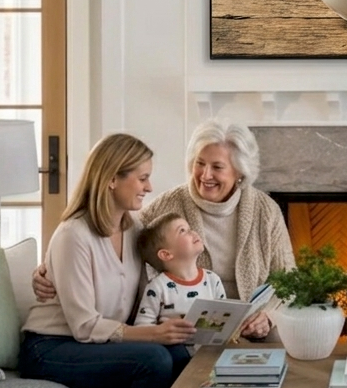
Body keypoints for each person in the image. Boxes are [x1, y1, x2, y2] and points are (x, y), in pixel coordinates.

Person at [34, 120, 295, 339]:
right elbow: (103, 239)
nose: (205, 175)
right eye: (199, 163)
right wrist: (45, 271)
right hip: (186, 328)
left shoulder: (265, 211)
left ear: (239, 172)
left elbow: (290, 279)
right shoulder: (166, 207)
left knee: (283, 336)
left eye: (217, 167)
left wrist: (268, 316)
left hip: (249, 323)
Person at [19, 133, 196, 388]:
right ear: (112, 179)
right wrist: (152, 334)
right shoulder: (73, 235)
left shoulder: (133, 229)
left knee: (178, 353)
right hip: (51, 345)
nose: (149, 187)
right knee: (154, 359)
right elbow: (84, 327)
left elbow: (160, 278)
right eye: (143, 178)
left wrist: (165, 324)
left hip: (95, 343)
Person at [134, 212, 226, 326]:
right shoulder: (157, 287)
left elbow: (225, 320)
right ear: (166, 254)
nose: (193, 232)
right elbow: (141, 325)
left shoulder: (213, 280)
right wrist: (162, 332)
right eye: (182, 230)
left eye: (189, 229)